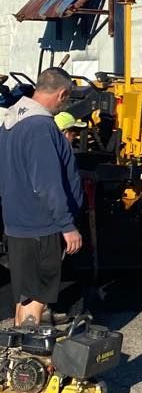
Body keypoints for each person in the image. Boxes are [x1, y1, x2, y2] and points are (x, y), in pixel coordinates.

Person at [0, 68, 84, 327]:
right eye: (66, 99)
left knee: (25, 296)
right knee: (35, 296)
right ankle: (28, 358)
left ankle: (17, 358)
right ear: (62, 93)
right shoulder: (41, 127)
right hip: (40, 225)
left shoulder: (10, 122)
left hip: (18, 221)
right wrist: (67, 226)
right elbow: (47, 183)